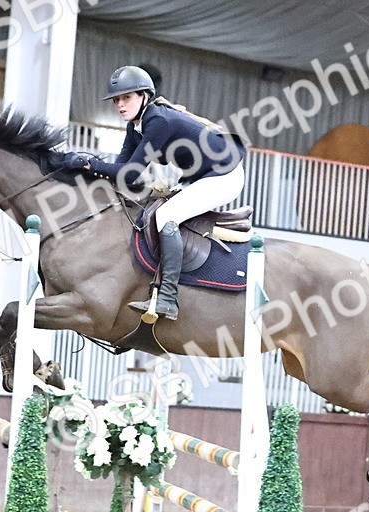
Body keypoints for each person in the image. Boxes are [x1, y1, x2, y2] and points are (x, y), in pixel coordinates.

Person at [64, 66, 246, 321]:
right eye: (116, 100)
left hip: (224, 175)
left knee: (165, 217)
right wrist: (87, 171)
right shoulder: (135, 128)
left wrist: (88, 163)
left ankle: (168, 298)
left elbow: (130, 174)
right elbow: (120, 172)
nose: (120, 104)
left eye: (126, 97)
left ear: (144, 96)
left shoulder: (158, 121)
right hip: (199, 176)